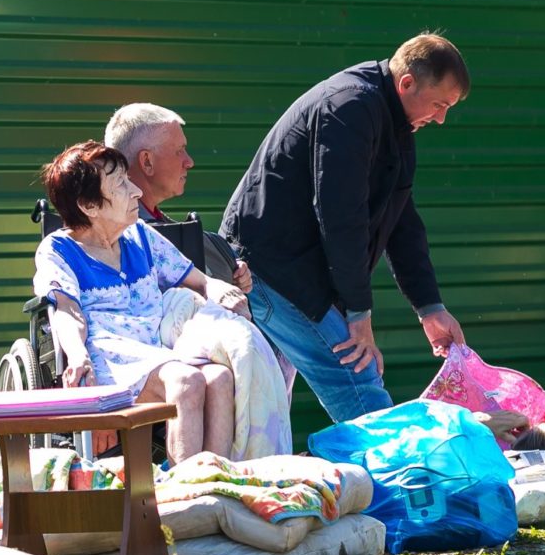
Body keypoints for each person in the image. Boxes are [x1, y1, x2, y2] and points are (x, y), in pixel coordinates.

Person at [221, 33, 470, 423]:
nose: (440, 118)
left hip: (293, 271)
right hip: (269, 271)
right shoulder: (349, 106)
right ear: (406, 83)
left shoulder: (398, 123)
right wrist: (358, 314)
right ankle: (398, 480)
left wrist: (430, 307)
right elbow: (341, 217)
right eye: (439, 104)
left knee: (261, 408)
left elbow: (403, 223)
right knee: (355, 376)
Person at [35, 140, 249, 465]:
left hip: (159, 351)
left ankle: (213, 489)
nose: (136, 191)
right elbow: (66, 309)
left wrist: (221, 290)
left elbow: (197, 280)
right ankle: (183, 496)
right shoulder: (60, 250)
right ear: (89, 206)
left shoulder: (140, 236)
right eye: (121, 184)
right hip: (109, 360)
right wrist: (79, 361)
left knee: (219, 378)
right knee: (187, 380)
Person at [104, 103, 252, 291]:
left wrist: (230, 266)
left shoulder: (146, 224)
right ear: (147, 161)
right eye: (179, 151)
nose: (189, 162)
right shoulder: (124, 238)